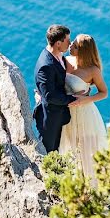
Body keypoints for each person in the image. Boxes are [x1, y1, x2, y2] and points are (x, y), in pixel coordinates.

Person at [60, 34, 108, 184]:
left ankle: (91, 187)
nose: (70, 46)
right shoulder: (64, 61)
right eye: (71, 43)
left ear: (83, 51)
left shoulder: (93, 70)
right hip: (66, 114)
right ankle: (72, 184)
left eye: (74, 46)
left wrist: (86, 99)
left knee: (87, 151)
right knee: (69, 147)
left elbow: (104, 92)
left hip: (85, 114)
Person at [33, 25, 84, 153]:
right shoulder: (46, 65)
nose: (70, 43)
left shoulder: (58, 55)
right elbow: (50, 96)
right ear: (58, 43)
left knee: (59, 150)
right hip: (50, 118)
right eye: (67, 40)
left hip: (58, 114)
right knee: (49, 152)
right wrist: (74, 98)